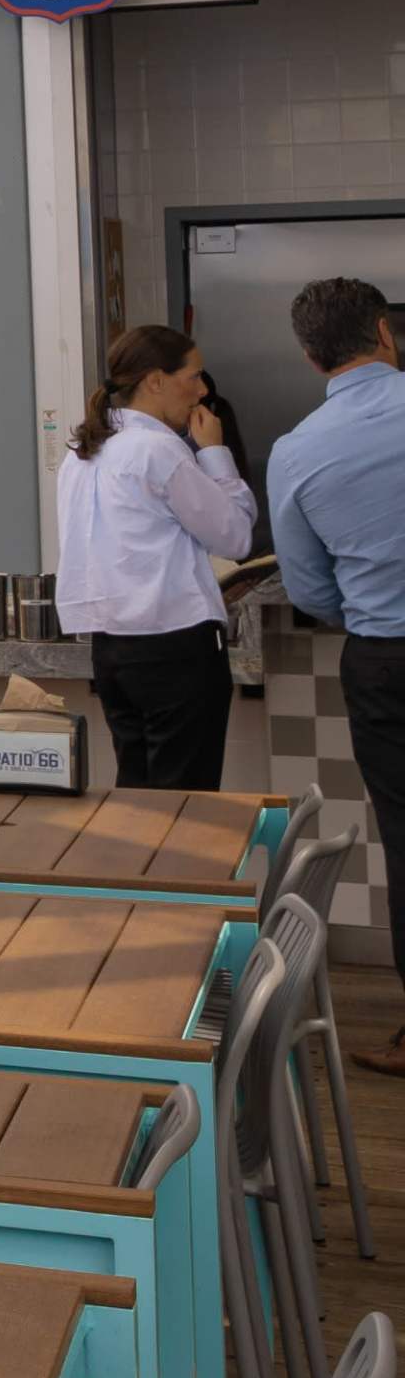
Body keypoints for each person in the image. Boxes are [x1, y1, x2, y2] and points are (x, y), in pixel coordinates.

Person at [270, 276, 405, 1071]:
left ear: (311, 356)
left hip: (382, 657)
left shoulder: (298, 450)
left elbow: (310, 587)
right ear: (384, 333)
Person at [52, 326, 255, 789]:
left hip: (112, 649)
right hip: (176, 645)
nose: (202, 390)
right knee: (185, 799)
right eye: (195, 375)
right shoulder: (159, 449)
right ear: (155, 381)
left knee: (138, 789)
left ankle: (135, 866)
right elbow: (236, 537)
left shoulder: (82, 454)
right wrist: (216, 453)